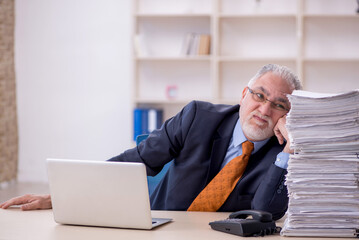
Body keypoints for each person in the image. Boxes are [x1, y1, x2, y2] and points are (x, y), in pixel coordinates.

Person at [0, 64, 302, 220]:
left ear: (290, 114)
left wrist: (289, 149)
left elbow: (265, 211)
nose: (264, 109)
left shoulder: (285, 153)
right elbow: (137, 161)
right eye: (259, 95)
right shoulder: (198, 117)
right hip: (162, 231)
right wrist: (61, 196)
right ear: (242, 95)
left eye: (280, 105)